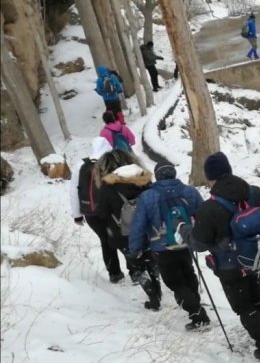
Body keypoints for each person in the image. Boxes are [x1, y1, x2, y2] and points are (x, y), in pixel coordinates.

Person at [183, 152, 260, 361]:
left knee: (244, 306)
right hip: (257, 257)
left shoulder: (210, 207)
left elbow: (198, 244)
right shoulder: (254, 193)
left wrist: (185, 232)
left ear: (210, 177)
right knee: (256, 296)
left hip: (230, 266)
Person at [128, 161, 211, 330]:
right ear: (173, 174)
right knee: (188, 274)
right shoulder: (189, 191)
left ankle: (197, 315)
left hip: (161, 247)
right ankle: (195, 303)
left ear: (157, 176)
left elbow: (138, 225)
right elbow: (204, 214)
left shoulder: (148, 196)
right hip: (186, 241)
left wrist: (134, 249)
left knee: (175, 283)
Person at [94, 149, 162, 311]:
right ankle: (157, 286)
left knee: (136, 265)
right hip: (148, 229)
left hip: (123, 234)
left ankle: (152, 296)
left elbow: (101, 213)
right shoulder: (144, 180)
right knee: (151, 260)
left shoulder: (107, 187)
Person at [69, 137, 124, 283]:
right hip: (113, 210)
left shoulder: (81, 165)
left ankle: (114, 273)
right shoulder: (114, 161)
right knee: (123, 237)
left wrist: (77, 215)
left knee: (105, 241)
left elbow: (74, 191)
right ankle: (136, 270)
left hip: (91, 212)